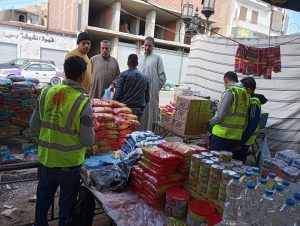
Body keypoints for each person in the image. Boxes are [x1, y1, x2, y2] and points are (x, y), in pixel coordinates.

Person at [30, 56, 95, 226]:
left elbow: (33, 125)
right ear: (82, 76)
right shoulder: (83, 102)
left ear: (65, 71)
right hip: (69, 165)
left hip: (46, 161)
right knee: (66, 209)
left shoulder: (46, 92)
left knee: (42, 205)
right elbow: (88, 141)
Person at [209, 71, 250, 156]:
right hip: (235, 137)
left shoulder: (230, 92)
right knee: (226, 164)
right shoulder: (246, 95)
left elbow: (220, 116)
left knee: (214, 162)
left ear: (226, 80)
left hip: (221, 135)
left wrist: (209, 123)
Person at [138, 36, 166, 130]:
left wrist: (155, 87)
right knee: (140, 114)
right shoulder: (140, 58)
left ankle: (150, 135)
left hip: (152, 94)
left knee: (151, 114)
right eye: (145, 45)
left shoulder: (157, 58)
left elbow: (162, 77)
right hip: (140, 93)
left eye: (149, 46)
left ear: (153, 46)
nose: (147, 48)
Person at [113, 54, 150, 121]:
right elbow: (147, 98)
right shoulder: (145, 77)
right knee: (135, 129)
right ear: (137, 64)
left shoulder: (123, 75)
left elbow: (117, 94)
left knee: (123, 130)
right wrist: (141, 107)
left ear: (127, 63)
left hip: (124, 109)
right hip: (138, 110)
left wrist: (114, 106)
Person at [238, 77, 266, 163]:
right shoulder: (248, 100)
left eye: (242, 89)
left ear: (249, 90)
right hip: (242, 139)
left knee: (238, 162)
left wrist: (241, 143)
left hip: (245, 141)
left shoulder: (253, 102)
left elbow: (252, 125)